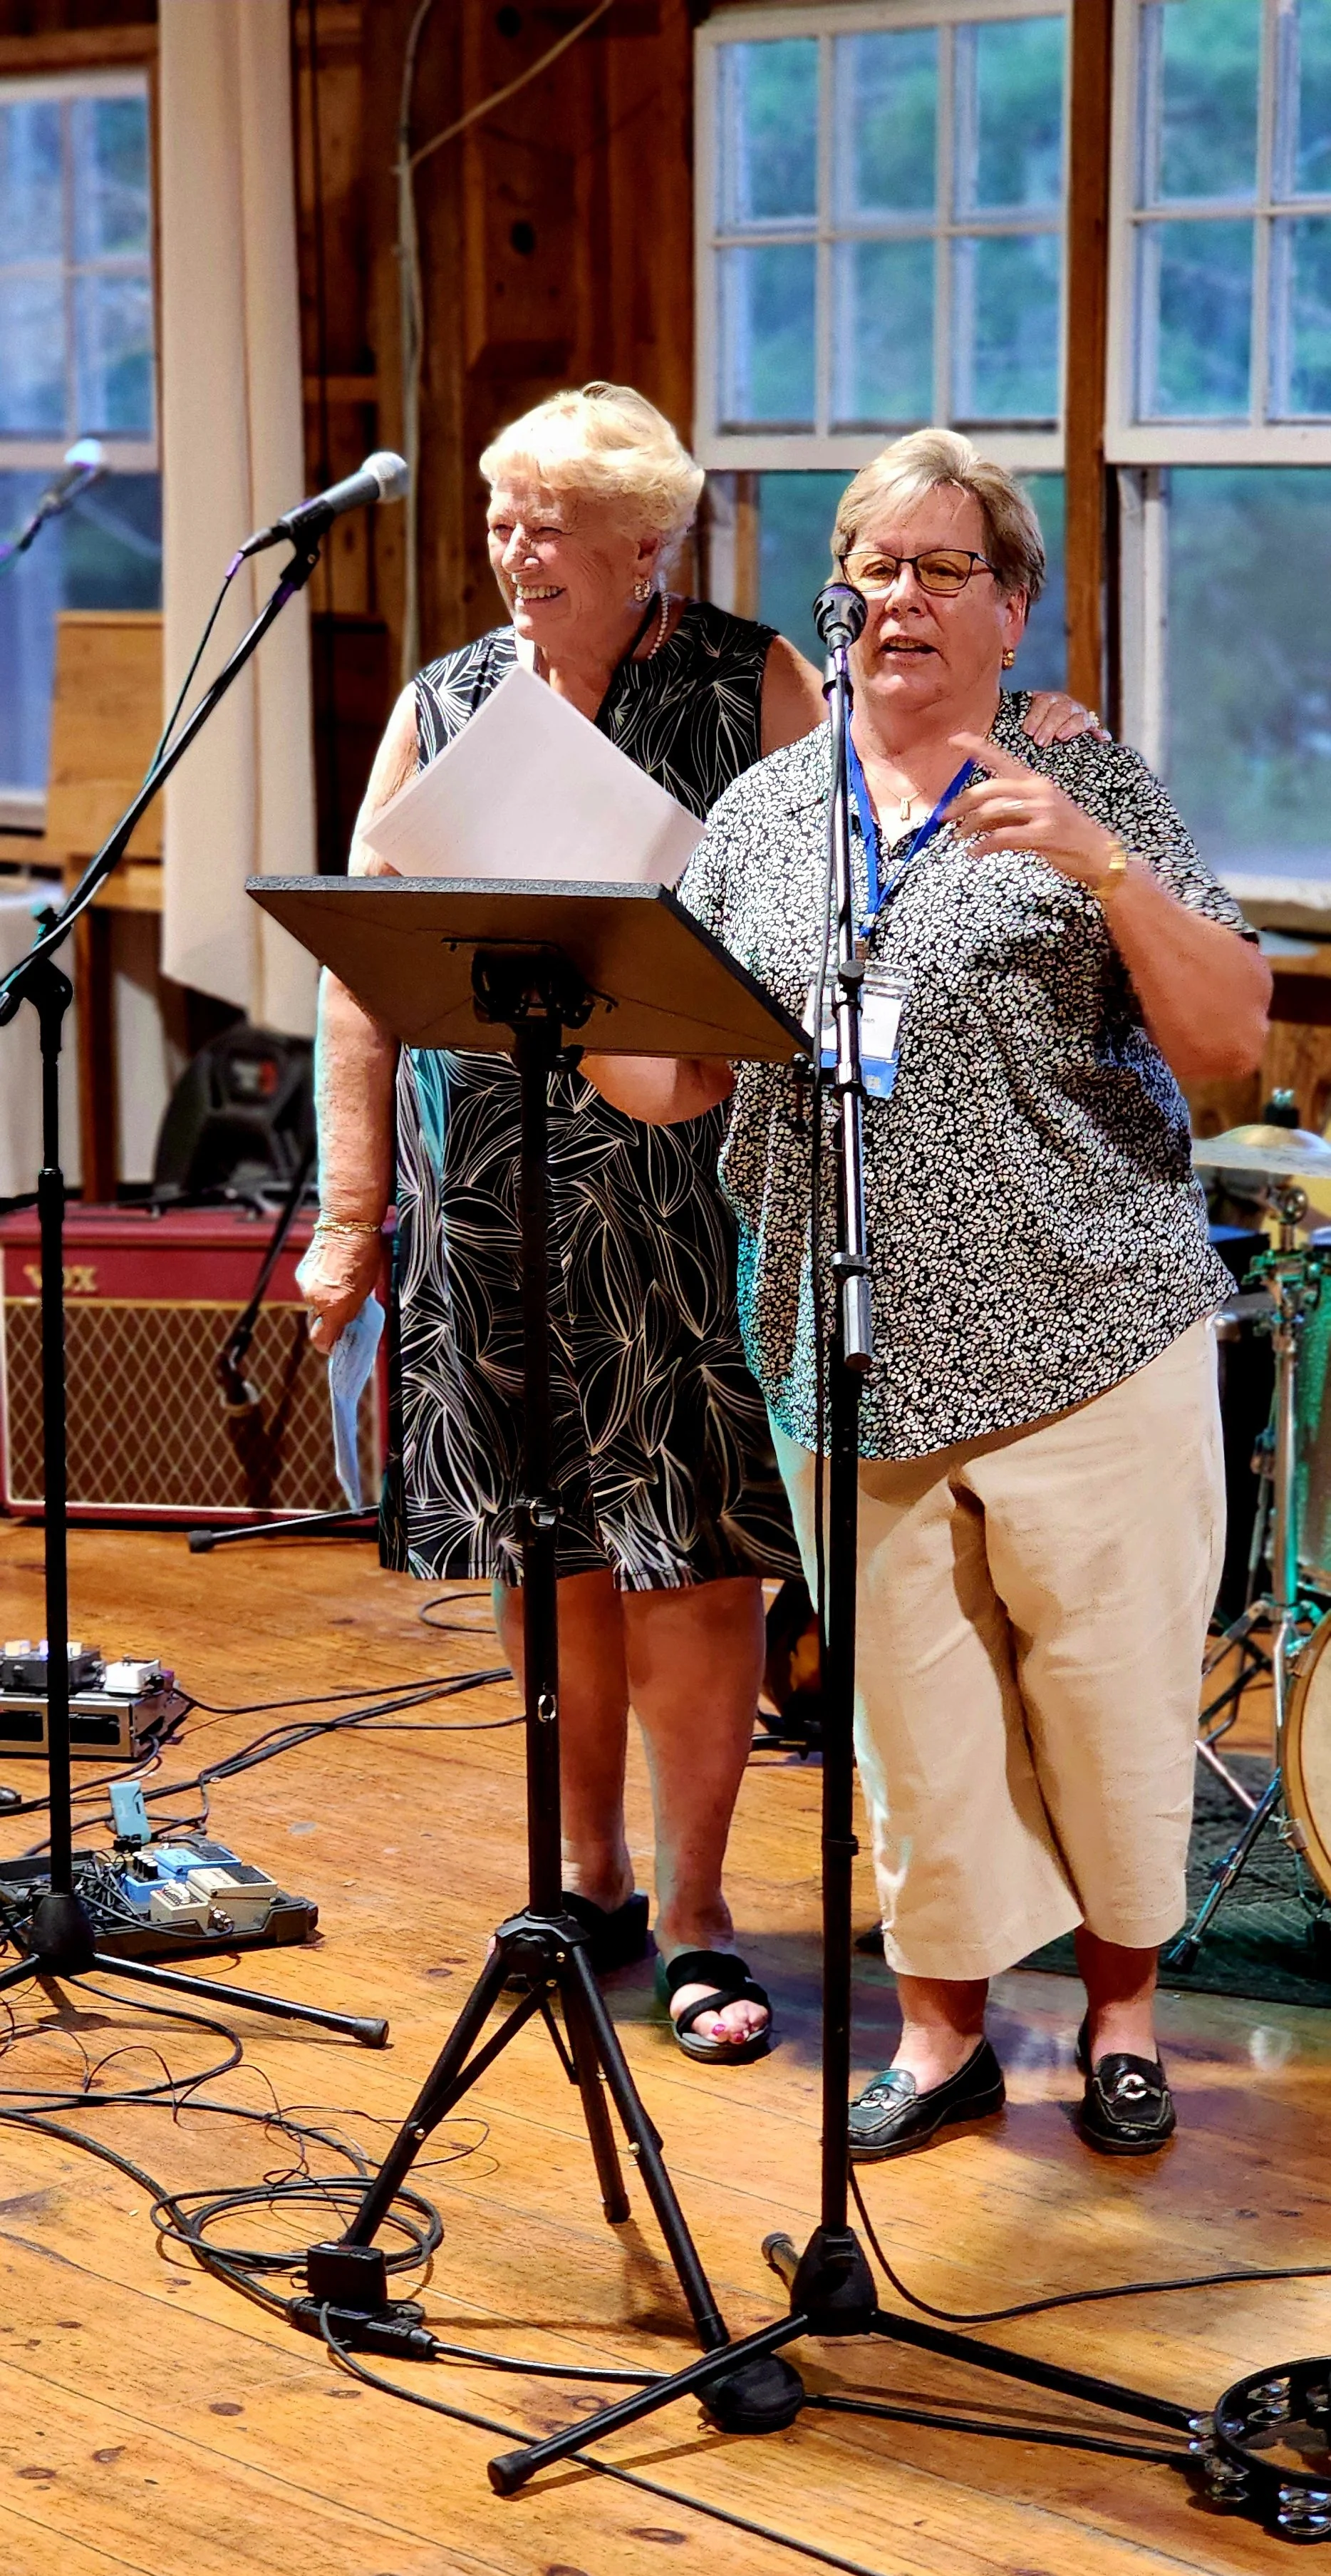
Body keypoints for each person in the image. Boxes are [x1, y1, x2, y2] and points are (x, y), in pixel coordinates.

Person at [299, 387, 1102, 2068]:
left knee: (690, 1552)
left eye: (549, 527)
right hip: (491, 1190)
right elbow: (357, 967)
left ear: (644, 544)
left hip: (677, 1181)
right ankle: (580, 1877)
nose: (514, 552)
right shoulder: (447, 700)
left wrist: (1031, 751)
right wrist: (350, 1208)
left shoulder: (746, 678)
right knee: (545, 1542)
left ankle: (693, 1909)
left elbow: (868, 850)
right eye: (501, 516)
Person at [588, 425, 1270, 2153]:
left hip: (1085, 1334)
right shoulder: (759, 815)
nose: (899, 598)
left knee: (1107, 1707)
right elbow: (683, 1083)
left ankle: (1121, 2016)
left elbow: (1231, 1050)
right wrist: (570, 988)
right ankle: (945, 2032)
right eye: (874, 566)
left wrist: (1098, 871)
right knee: (917, 1738)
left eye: (942, 568)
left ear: (1011, 607)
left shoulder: (1082, 784)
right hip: (847, 1354)